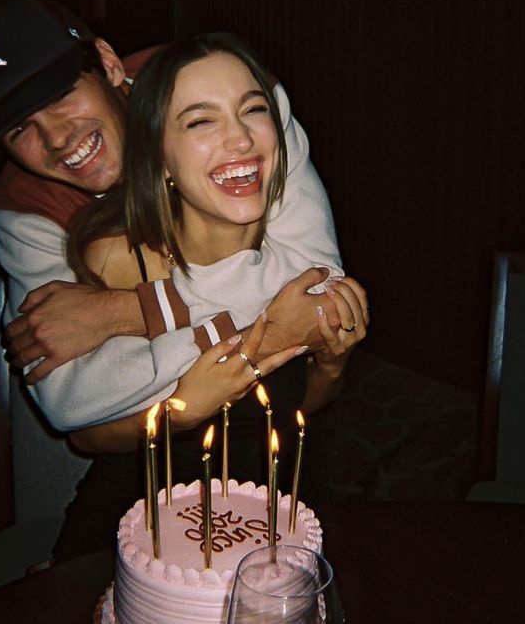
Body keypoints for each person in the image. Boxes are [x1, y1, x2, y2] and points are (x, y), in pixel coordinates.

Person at [0, 0, 358, 432]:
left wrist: (127, 313)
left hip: (279, 428)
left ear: (108, 61)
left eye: (59, 95)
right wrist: (270, 332)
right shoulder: (28, 210)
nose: (57, 138)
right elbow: (70, 400)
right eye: (18, 128)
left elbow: (316, 277)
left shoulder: (221, 91)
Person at [49, 32, 367, 559]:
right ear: (160, 159)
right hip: (139, 517)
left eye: (254, 111)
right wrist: (183, 406)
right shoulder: (118, 258)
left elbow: (297, 405)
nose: (241, 140)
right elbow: (87, 434)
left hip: (278, 504)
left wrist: (333, 366)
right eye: (201, 121)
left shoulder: (297, 261)